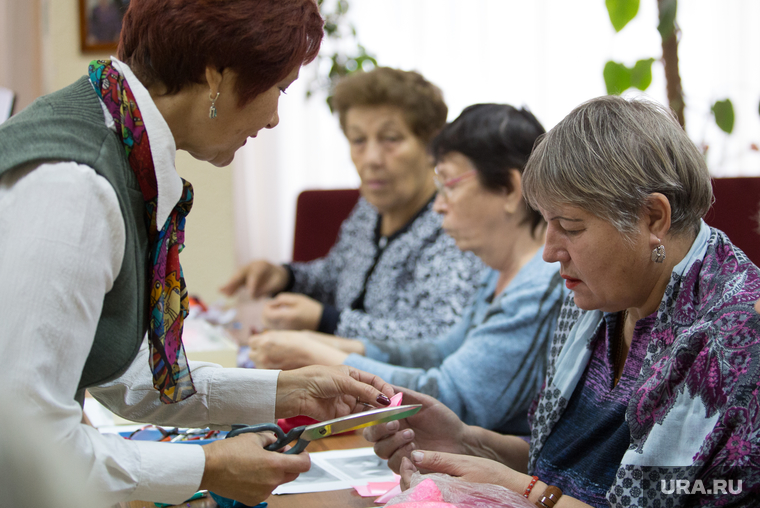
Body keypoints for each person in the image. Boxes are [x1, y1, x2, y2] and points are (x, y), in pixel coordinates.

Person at [0, 1, 396, 506]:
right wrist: (207, 466)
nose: (275, 118)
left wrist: (287, 390)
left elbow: (126, 377)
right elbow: (24, 446)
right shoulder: (75, 187)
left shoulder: (116, 140)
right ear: (216, 76)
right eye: (279, 90)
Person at [364, 96, 760, 507]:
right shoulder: (600, 297)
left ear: (653, 218)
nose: (549, 251)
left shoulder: (736, 337)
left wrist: (525, 492)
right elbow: (571, 467)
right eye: (547, 223)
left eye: (570, 226)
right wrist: (468, 442)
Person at [247, 104, 565, 435]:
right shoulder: (498, 274)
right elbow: (440, 351)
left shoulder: (539, 286)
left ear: (511, 189)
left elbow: (454, 400)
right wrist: (341, 347)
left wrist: (325, 358)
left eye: (450, 186)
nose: (439, 205)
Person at [221, 67, 484, 343]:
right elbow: (335, 277)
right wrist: (284, 276)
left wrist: (326, 320)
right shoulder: (369, 210)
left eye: (390, 139)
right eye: (358, 140)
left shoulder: (453, 224)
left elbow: (437, 338)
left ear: (431, 147)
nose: (371, 158)